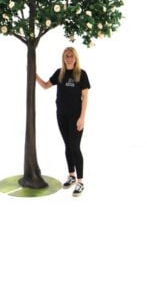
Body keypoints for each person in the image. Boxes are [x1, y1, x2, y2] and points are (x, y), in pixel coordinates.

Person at [36, 47, 90, 197]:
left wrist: (82, 117)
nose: (69, 58)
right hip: (61, 115)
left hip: (75, 117)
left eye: (71, 56)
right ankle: (71, 175)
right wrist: (34, 74)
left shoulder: (81, 74)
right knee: (67, 145)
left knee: (75, 147)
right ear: (63, 58)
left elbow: (85, 97)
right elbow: (45, 85)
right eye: (66, 56)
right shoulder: (59, 73)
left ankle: (80, 182)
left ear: (75, 58)